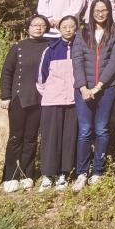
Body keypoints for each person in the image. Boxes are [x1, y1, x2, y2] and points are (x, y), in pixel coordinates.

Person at [71, 0, 115, 190]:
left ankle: (98, 171)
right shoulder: (82, 32)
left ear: (109, 11)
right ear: (91, 12)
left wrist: (99, 86)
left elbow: (114, 61)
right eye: (97, 10)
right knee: (85, 130)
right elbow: (77, 60)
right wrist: (83, 87)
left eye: (104, 10)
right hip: (83, 89)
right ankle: (81, 173)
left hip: (106, 88)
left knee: (101, 129)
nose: (100, 14)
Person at [0, 15, 50, 193]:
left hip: (39, 99)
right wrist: (5, 96)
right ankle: (10, 176)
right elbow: (7, 72)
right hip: (19, 99)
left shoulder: (49, 47)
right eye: (35, 25)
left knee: (31, 138)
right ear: (28, 27)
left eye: (42, 25)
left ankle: (27, 174)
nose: (38, 28)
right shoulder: (18, 47)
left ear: (46, 28)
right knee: (16, 138)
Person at [35, 15, 79, 190]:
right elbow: (41, 77)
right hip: (52, 100)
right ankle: (48, 174)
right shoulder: (50, 50)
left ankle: (63, 174)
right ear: (59, 29)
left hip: (73, 101)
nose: (68, 29)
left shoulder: (80, 48)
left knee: (69, 137)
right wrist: (50, 93)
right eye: (64, 26)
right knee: (51, 138)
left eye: (71, 26)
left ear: (76, 28)